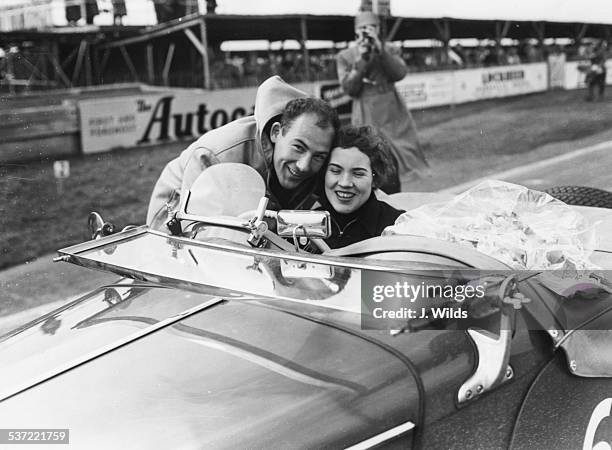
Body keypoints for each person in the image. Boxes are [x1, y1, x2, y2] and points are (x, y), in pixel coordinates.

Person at [147, 76, 339, 230]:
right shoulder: (215, 154)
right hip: (176, 209)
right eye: (298, 147)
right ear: (275, 132)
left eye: (318, 156)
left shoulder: (323, 156)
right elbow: (192, 229)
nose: (304, 165)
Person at [336, 10, 429, 193]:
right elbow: (349, 88)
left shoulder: (390, 49)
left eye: (370, 28)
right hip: (366, 111)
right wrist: (362, 59)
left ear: (378, 30)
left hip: (392, 110)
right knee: (371, 155)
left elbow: (399, 73)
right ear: (356, 32)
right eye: (362, 28)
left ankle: (392, 198)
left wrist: (381, 51)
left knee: (396, 156)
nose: (366, 32)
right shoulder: (346, 56)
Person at [318, 125, 405, 249]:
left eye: (358, 174)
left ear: (374, 178)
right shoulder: (307, 222)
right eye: (336, 171)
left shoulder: (397, 225)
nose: (345, 183)